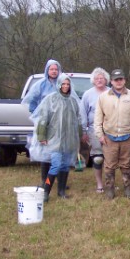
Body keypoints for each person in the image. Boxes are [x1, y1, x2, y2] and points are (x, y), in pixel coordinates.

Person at [23, 59, 84, 189]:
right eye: (51, 69)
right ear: (47, 70)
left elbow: (76, 115)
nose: (54, 71)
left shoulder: (67, 90)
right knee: (47, 156)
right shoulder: (41, 86)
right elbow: (33, 102)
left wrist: (78, 134)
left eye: (56, 69)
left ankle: (61, 186)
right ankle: (45, 183)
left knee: (64, 160)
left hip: (65, 131)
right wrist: (36, 115)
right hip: (48, 126)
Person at [31, 74, 82, 202]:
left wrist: (79, 136)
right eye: (63, 84)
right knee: (56, 165)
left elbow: (77, 120)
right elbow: (43, 118)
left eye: (67, 84)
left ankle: (61, 191)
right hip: (54, 139)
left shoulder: (73, 101)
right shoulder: (51, 99)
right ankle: (46, 192)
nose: (65, 86)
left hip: (69, 139)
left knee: (65, 165)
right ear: (58, 84)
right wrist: (41, 135)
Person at [94, 69, 130, 200]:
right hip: (109, 137)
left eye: (121, 79)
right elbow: (98, 118)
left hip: (128, 137)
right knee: (109, 165)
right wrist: (100, 135)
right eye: (116, 80)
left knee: (127, 165)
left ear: (124, 80)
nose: (119, 82)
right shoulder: (103, 97)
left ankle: (128, 190)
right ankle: (109, 190)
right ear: (111, 81)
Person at [80, 67, 110, 193]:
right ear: (93, 80)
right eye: (97, 78)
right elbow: (83, 114)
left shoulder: (111, 92)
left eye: (101, 78)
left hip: (110, 130)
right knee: (98, 158)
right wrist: (84, 131)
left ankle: (110, 183)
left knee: (110, 159)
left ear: (106, 80)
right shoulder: (88, 94)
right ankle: (99, 184)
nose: (99, 80)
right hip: (94, 130)